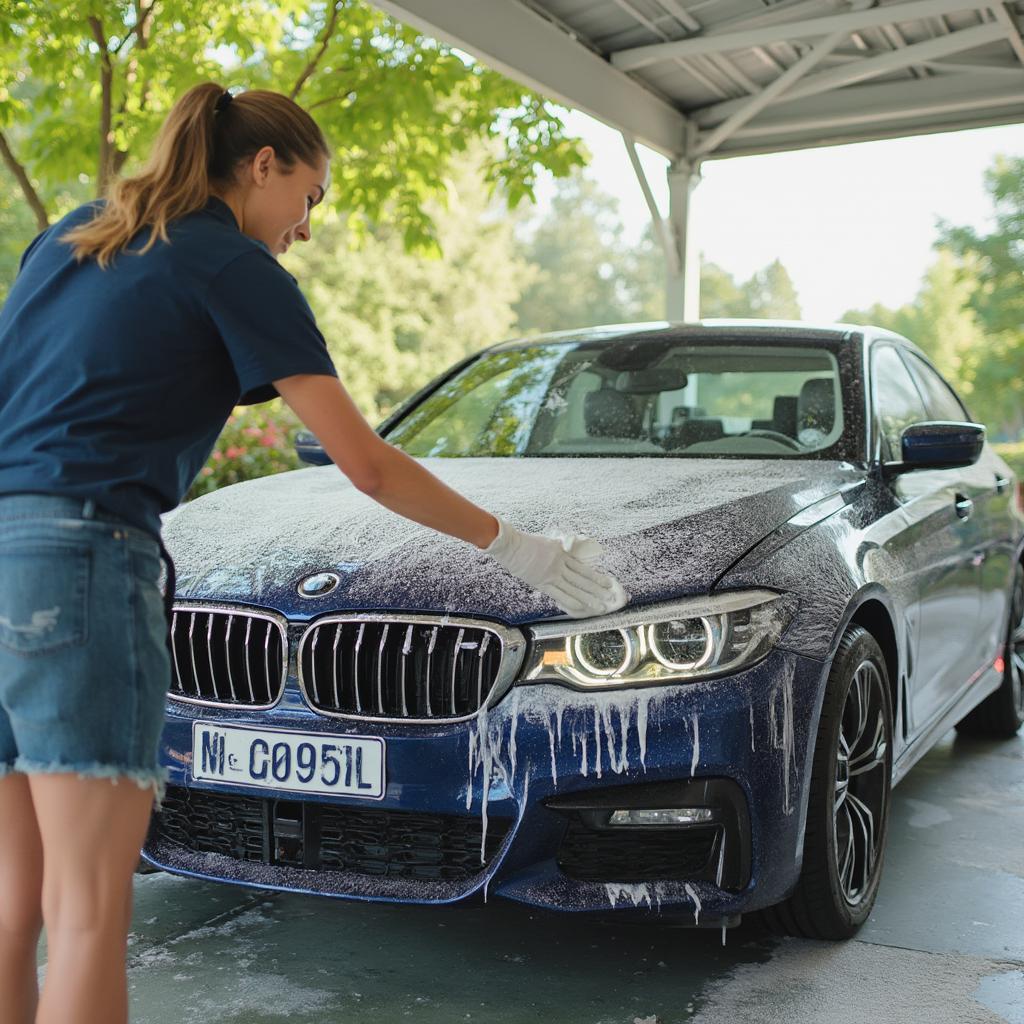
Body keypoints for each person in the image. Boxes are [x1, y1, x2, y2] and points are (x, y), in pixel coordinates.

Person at [0, 82, 627, 1024]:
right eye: (312, 196)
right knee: (90, 912)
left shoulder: (78, 234)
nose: (306, 226)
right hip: (76, 564)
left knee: (16, 901)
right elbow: (367, 465)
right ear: (263, 167)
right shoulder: (231, 264)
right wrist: (519, 548)